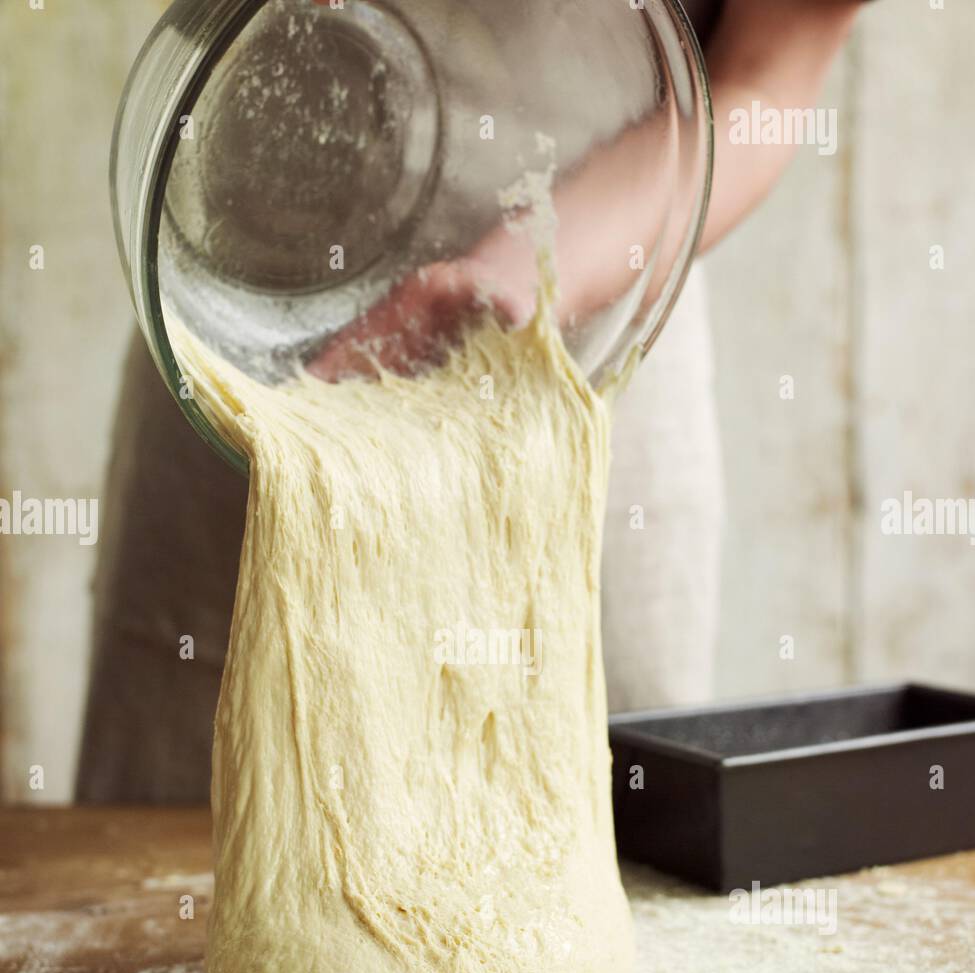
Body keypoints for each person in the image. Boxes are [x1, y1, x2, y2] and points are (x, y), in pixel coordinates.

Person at [77, 0, 871, 803]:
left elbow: (762, 80)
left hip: (581, 343)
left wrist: (529, 270)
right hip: (240, 345)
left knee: (581, 824)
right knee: (177, 849)